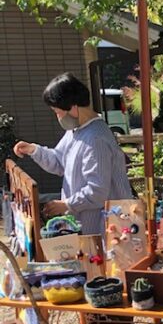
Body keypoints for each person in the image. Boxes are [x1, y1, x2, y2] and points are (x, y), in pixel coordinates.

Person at [13, 72, 132, 235]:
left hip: (105, 228)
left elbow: (97, 191)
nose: (57, 116)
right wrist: (33, 150)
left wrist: (67, 204)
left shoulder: (96, 139)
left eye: (57, 111)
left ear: (73, 107)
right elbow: (59, 162)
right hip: (88, 223)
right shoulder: (76, 131)